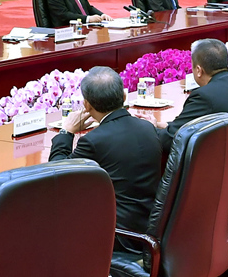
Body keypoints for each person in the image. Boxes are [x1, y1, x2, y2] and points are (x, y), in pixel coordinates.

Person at [49, 67, 162, 253]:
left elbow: (57, 174)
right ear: (124, 96)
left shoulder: (94, 141)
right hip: (152, 228)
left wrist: (66, 132)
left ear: (86, 105)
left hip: (119, 237)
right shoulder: (148, 128)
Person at [155, 38, 228, 152]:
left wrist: (149, 127)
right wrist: (164, 125)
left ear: (199, 70)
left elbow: (171, 139)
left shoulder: (204, 96)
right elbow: (186, 126)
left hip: (216, 161)